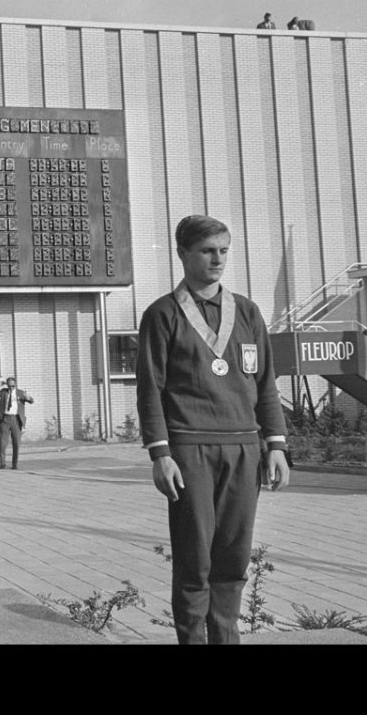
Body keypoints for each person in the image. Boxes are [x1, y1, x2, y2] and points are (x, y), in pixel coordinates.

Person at [135, 214, 290, 645]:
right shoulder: (163, 314)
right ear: (182, 253)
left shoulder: (248, 311)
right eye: (207, 251)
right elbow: (151, 391)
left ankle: (227, 639)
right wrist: (160, 454)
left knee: (233, 558)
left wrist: (275, 444)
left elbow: (265, 385)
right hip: (190, 449)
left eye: (223, 250)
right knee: (194, 559)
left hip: (244, 448)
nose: (217, 259)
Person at [0, 376, 33, 469]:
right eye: (9, 386)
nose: (11, 388)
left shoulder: (21, 393)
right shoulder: (4, 392)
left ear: (15, 385)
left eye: (13, 386)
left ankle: (14, 464)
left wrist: (28, 397)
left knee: (16, 442)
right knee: (2, 442)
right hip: (5, 418)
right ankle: (2, 463)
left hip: (16, 419)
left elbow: (31, 401)